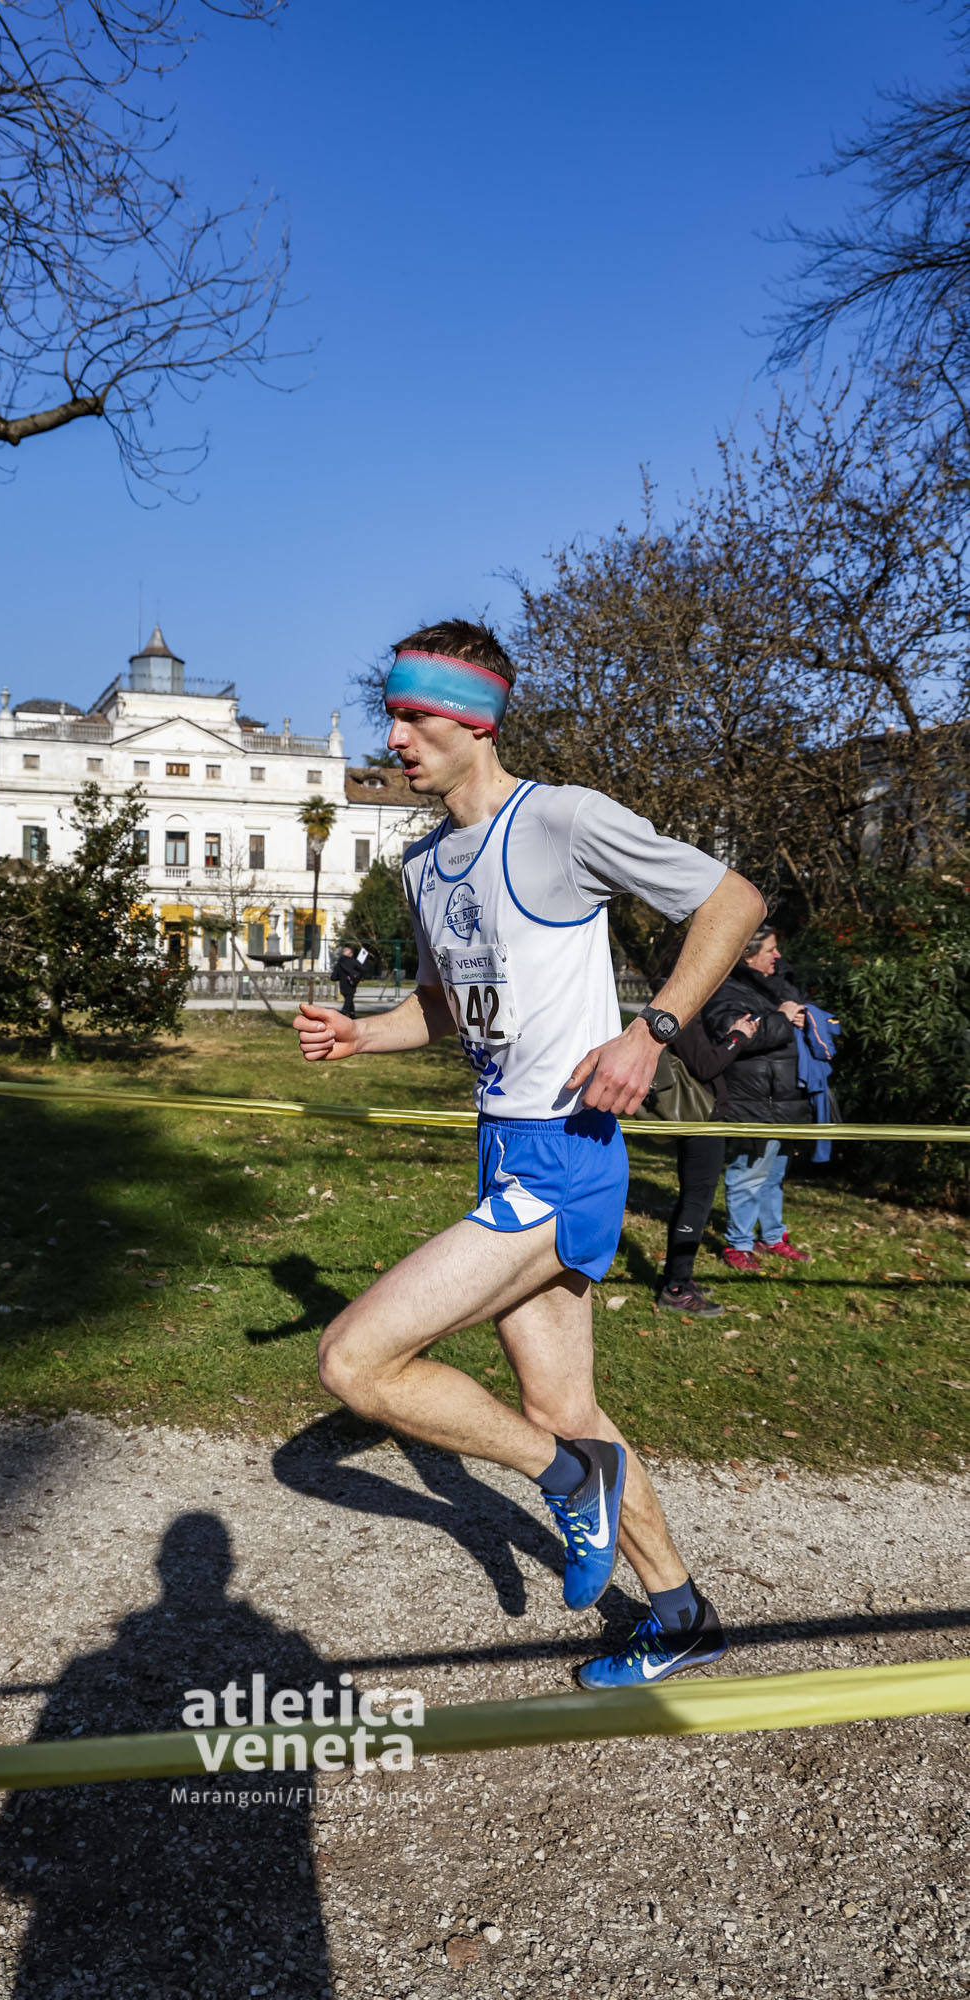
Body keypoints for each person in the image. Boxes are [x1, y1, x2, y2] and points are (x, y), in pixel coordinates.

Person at [293, 619, 765, 1689]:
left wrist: (650, 1030)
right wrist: (364, 1034)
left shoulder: (559, 819)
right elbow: (445, 1006)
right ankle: (681, 1612)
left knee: (354, 1361)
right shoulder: (424, 863)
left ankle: (565, 1479)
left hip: (569, 1153)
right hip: (500, 1143)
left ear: (475, 722)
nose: (394, 739)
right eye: (391, 717)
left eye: (414, 717)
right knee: (563, 1408)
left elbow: (731, 901)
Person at [703, 925, 815, 1272]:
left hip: (784, 1099)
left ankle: (772, 1235)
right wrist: (783, 1017)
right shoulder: (726, 989)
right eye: (770, 950)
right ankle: (738, 1244)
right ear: (747, 955)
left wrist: (798, 1017)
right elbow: (739, 1035)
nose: (778, 956)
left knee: (774, 1174)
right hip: (754, 1100)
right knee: (749, 1173)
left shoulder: (774, 986)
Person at [655, 1007, 760, 1318]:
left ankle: (677, 1278)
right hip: (701, 1120)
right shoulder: (680, 1011)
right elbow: (705, 1065)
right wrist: (737, 1037)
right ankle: (676, 1289)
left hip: (704, 1118)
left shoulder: (683, 1011)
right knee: (696, 1203)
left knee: (693, 1201)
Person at [333, 942, 363, 1019]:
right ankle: (342, 1014)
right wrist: (360, 978)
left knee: (349, 1000)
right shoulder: (353, 962)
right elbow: (363, 969)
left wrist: (340, 977)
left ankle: (352, 1014)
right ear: (350, 954)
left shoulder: (339, 963)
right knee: (348, 1001)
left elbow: (334, 977)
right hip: (351, 984)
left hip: (342, 985)